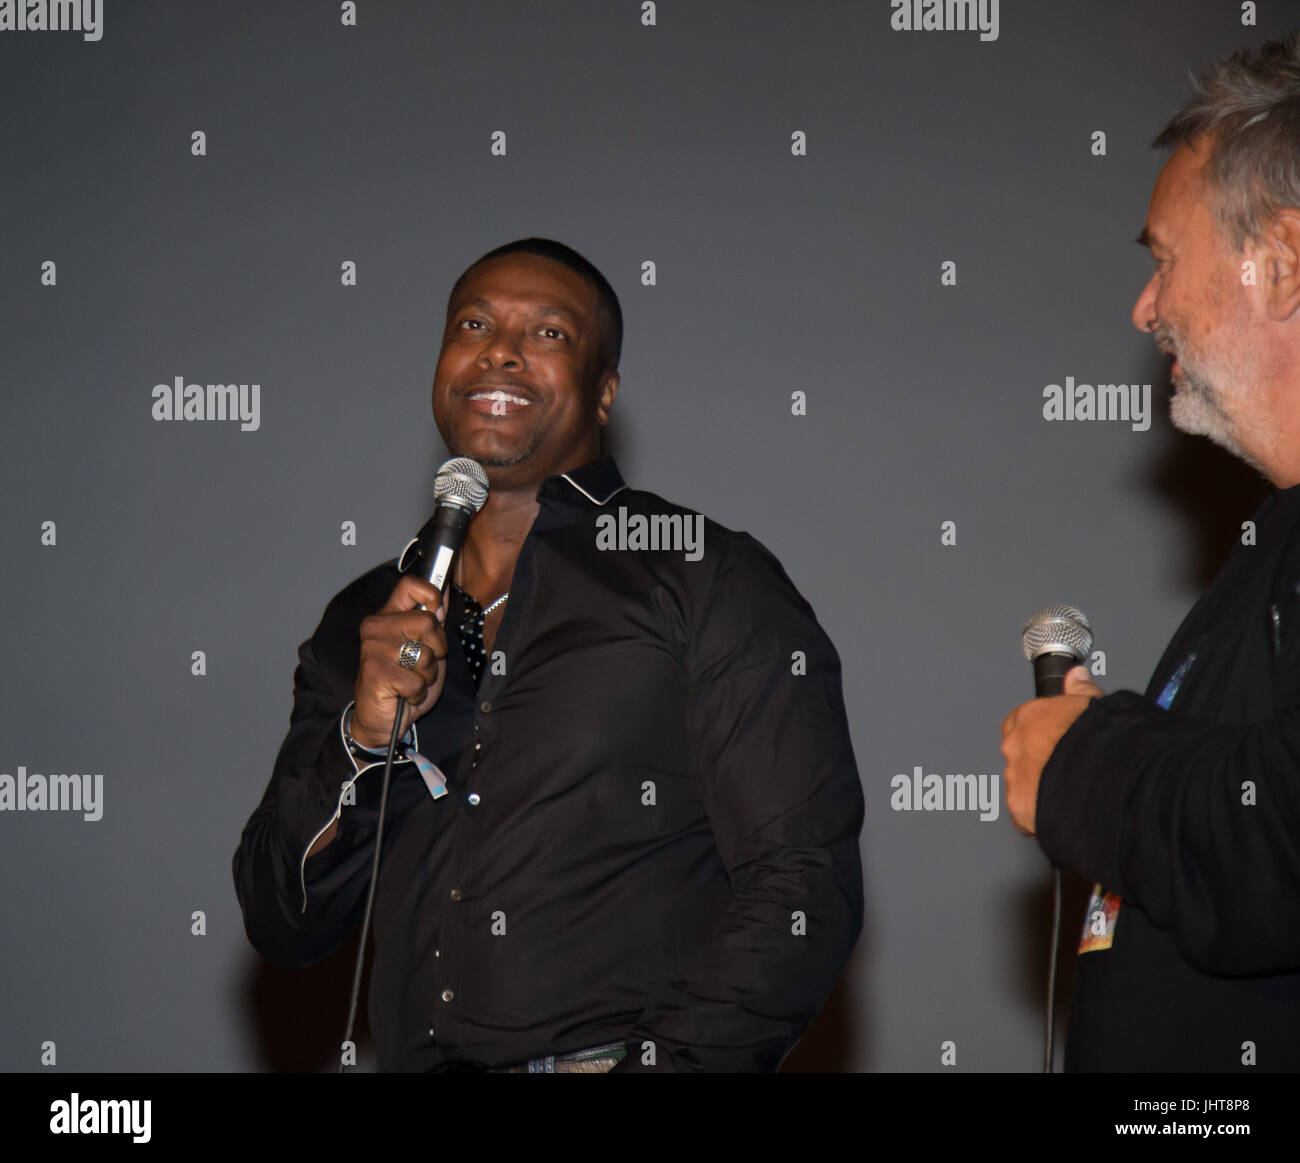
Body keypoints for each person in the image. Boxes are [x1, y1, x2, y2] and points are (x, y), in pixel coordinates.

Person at [233, 237, 865, 1072]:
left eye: (549, 334)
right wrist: (363, 737)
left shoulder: (703, 575)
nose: (499, 349)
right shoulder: (368, 616)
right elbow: (283, 920)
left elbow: (802, 888)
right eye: (474, 324)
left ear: (604, 394)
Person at [1000, 34, 1300, 1071]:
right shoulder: (1270, 538)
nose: (1145, 308)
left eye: (1164, 259)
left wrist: (1089, 763)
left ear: (1280, 263)